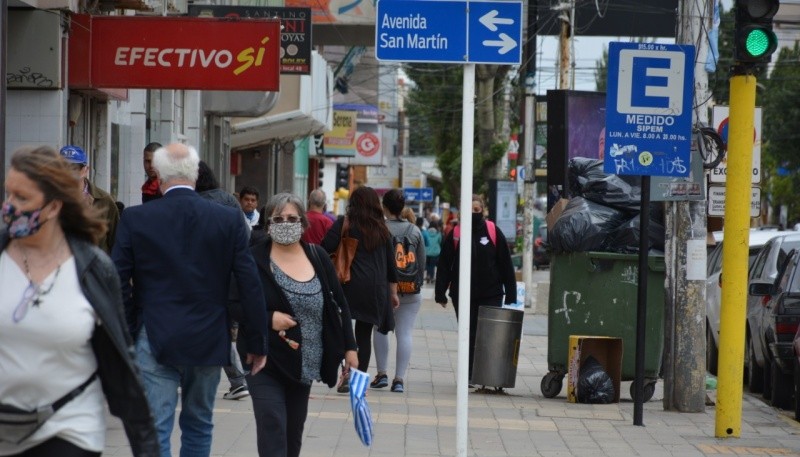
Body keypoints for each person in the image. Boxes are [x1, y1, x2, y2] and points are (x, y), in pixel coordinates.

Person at [112, 143, 270, 457]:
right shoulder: (227, 219)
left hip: (154, 334)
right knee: (199, 423)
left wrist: (131, 328)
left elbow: (116, 280)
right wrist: (257, 341)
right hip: (209, 337)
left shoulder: (135, 218)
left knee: (156, 426)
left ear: (156, 175)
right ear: (195, 174)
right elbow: (249, 281)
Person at [0, 146, 158, 456]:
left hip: (69, 426)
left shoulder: (93, 269)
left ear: (53, 206)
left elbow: (120, 366)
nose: (9, 207)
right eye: (8, 195)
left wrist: (146, 447)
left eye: (22, 198)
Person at [238, 192, 358, 457]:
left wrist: (350, 348)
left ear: (303, 223)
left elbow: (339, 304)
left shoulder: (317, 257)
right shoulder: (252, 259)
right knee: (272, 425)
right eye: (278, 218)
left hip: (304, 365)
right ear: (268, 223)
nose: (285, 223)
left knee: (292, 437)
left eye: (292, 218)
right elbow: (233, 302)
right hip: (263, 359)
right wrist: (267, 318)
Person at [321, 186, 399, 393]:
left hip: (348, 285)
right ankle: (358, 382)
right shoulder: (383, 230)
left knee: (342, 329)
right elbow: (391, 266)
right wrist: (393, 293)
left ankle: (345, 372)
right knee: (363, 335)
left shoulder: (345, 223)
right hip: (375, 288)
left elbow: (324, 247)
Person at [434, 194, 517, 383]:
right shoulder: (455, 234)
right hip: (463, 295)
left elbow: (505, 263)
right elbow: (445, 265)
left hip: (491, 293)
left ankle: (487, 374)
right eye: (469, 210)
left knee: (488, 336)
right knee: (468, 334)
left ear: (483, 211)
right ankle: (470, 374)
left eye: (477, 210)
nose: (473, 213)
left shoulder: (493, 231)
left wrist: (511, 293)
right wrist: (440, 294)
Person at [195, 161, 251, 401]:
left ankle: (237, 379)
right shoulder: (228, 200)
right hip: (227, 275)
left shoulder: (196, 202)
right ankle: (237, 379)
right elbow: (245, 236)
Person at [371, 189, 426, 393]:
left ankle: (382, 373)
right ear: (402, 207)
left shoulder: (379, 229)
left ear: (384, 207)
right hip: (410, 290)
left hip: (384, 289)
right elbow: (421, 262)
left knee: (381, 329)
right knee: (405, 333)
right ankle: (399, 379)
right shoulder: (415, 230)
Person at [58, 145, 120, 254]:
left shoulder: (104, 200)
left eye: (73, 168)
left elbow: (116, 242)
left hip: (94, 267)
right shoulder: (49, 199)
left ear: (85, 170)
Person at [425, 219, 443, 284]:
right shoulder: (438, 233)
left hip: (427, 251)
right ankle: (432, 277)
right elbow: (440, 241)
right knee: (432, 265)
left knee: (428, 265)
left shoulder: (426, 232)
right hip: (435, 252)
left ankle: (428, 275)